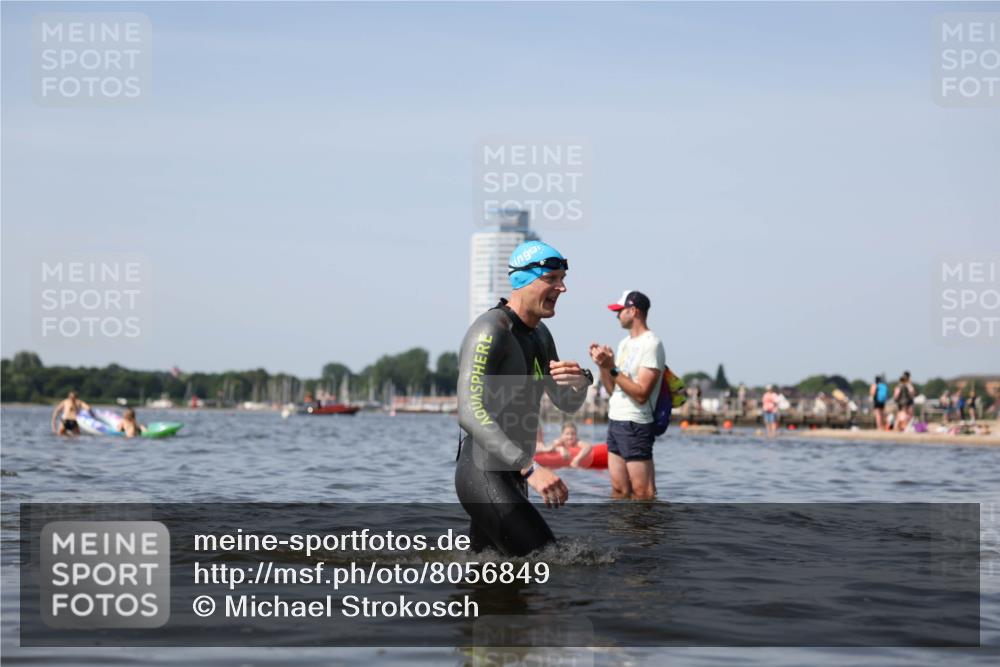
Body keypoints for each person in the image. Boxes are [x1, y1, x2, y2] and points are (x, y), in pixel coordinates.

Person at [455, 240, 593, 556]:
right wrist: (530, 468)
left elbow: (565, 402)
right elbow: (468, 411)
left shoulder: (541, 335)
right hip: (484, 471)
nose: (563, 288)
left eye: (563, 279)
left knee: (492, 575)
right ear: (524, 280)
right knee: (549, 560)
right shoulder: (490, 331)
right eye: (553, 279)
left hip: (514, 473)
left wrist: (582, 382)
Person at [590, 290, 664, 500]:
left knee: (644, 493)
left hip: (636, 423)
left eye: (620, 311)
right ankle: (621, 532)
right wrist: (603, 366)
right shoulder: (624, 344)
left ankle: (647, 532)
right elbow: (613, 391)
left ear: (633, 311)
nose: (617, 315)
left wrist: (612, 368)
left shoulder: (651, 344)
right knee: (619, 490)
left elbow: (641, 394)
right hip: (616, 421)